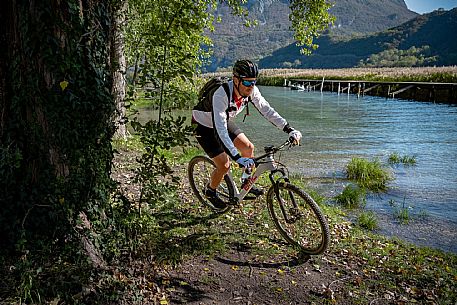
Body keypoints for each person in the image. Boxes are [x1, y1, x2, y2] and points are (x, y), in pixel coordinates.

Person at [192, 59, 302, 210]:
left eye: (254, 82)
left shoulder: (252, 90)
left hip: (222, 120)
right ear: (236, 80)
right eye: (247, 83)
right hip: (203, 125)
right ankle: (210, 190)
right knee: (224, 165)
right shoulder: (221, 94)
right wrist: (237, 157)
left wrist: (289, 129)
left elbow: (267, 111)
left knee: (248, 148)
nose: (251, 86)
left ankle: (246, 183)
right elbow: (220, 130)